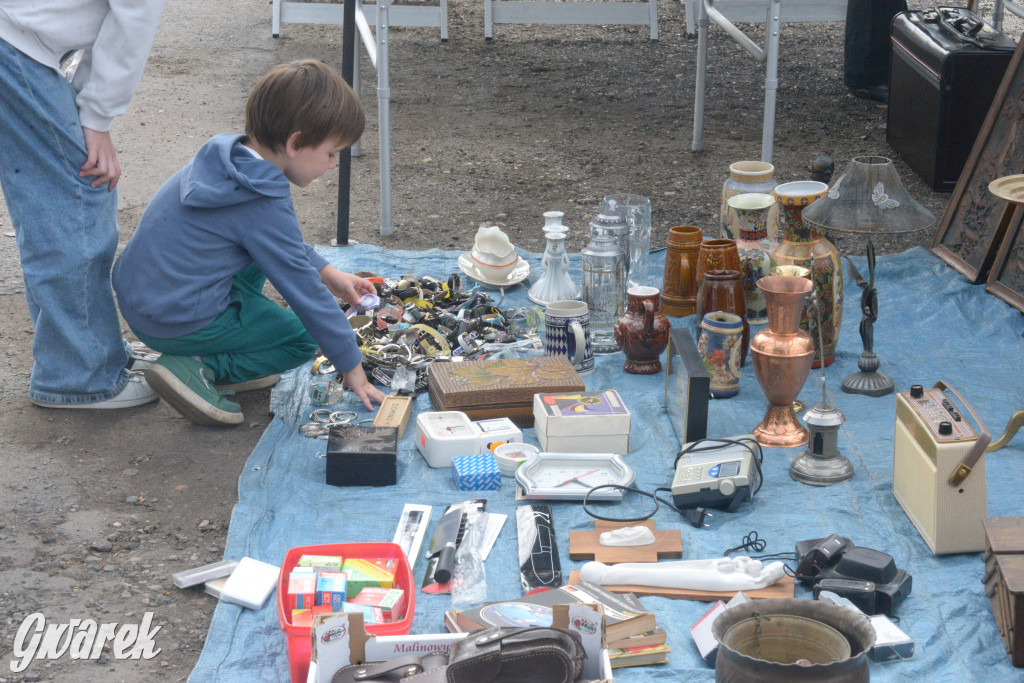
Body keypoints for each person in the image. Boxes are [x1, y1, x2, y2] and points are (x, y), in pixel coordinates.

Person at [112, 60, 386, 426]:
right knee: (303, 341)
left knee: (263, 251)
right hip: (178, 321)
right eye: (332, 153)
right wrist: (350, 363)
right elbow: (303, 290)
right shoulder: (262, 202)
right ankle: (197, 366)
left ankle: (213, 346)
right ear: (296, 143)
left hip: (143, 300)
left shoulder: (227, 160)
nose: (333, 165)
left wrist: (328, 271)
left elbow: (280, 245)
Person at [0, 1, 166, 409]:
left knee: (48, 200)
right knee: (72, 198)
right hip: (16, 44)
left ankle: (85, 349)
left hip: (20, 38)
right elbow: (134, 14)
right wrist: (96, 117)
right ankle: (80, 374)